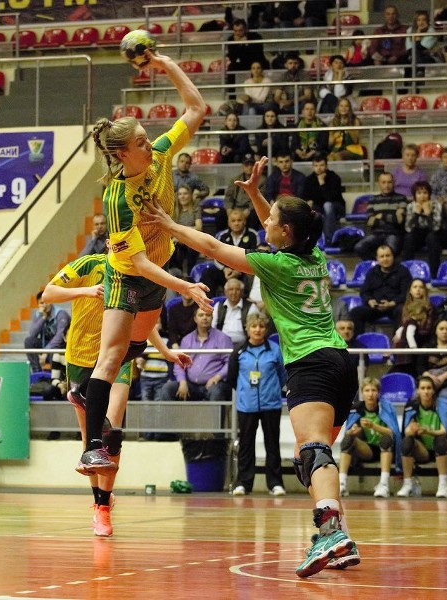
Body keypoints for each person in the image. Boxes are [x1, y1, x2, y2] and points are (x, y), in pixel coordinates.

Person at [142, 156, 359, 577]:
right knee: (311, 458)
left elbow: (212, 248)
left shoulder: (275, 265)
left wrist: (169, 225)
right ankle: (340, 539)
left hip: (310, 363)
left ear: (285, 231)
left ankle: (331, 533)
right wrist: (258, 194)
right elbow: (278, 227)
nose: (265, 223)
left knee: (313, 451)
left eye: (271, 219)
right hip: (339, 361)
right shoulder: (314, 254)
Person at [76, 49, 212, 476]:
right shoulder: (117, 199)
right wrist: (184, 286)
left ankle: (84, 393)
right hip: (127, 276)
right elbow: (136, 262)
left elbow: (196, 109)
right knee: (113, 355)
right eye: (139, 142)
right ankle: (91, 448)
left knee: (135, 348)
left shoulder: (161, 155)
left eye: (145, 136)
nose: (148, 143)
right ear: (121, 154)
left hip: (157, 274)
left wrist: (164, 63)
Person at [43, 253, 189, 534]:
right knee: (90, 438)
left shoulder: (134, 273)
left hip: (118, 355)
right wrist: (87, 291)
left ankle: (103, 509)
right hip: (82, 356)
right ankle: (99, 498)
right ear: (110, 243)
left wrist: (165, 351)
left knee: (112, 431)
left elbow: (141, 324)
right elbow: (49, 293)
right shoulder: (88, 265)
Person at [229, 312, 288, 496]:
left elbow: (283, 375)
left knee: (272, 445)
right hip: (246, 406)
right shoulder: (239, 351)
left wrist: (272, 390)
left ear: (266, 329)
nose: (257, 330)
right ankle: (243, 484)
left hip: (271, 404)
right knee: (246, 445)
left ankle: (275, 483)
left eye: (261, 326)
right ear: (247, 329)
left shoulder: (275, 350)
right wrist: (245, 392)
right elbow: (232, 378)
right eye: (253, 326)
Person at [339, 377, 400, 498]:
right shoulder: (356, 408)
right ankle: (341, 484)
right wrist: (353, 431)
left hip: (386, 449)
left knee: (386, 439)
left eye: (373, 390)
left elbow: (393, 433)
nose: (370, 394)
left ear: (378, 393)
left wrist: (373, 426)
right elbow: (348, 432)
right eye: (367, 390)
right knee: (348, 439)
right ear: (362, 393)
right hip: (367, 450)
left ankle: (384, 484)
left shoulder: (386, 407)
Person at [158, 307, 231, 406]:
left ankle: (215, 418)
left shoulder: (223, 338)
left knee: (216, 391)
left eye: (208, 315)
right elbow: (179, 364)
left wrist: (216, 378)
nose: (204, 317)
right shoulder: (187, 340)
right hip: (191, 385)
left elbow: (229, 363)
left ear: (212, 318)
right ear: (195, 319)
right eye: (201, 315)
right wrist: (182, 382)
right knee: (168, 389)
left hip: (214, 384)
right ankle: (170, 417)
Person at [397, 376, 447, 498]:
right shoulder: (412, 406)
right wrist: (413, 430)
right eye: (423, 388)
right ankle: (407, 484)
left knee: (441, 441)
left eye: (429, 388)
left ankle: (443, 485)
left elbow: (444, 431)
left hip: (439, 447)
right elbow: (406, 432)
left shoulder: (442, 405)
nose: (426, 391)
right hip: (422, 451)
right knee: (407, 442)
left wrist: (427, 431)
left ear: (434, 390)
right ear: (418, 390)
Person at [350, 244, 412, 334]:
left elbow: (406, 293)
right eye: (382, 256)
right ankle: (358, 340)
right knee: (355, 312)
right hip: (375, 307)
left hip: (395, 306)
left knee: (402, 311)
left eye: (388, 255)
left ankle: (397, 340)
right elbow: (364, 292)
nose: (385, 259)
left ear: (393, 256)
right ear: (377, 259)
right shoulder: (372, 272)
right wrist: (370, 301)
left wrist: (391, 303)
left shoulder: (403, 271)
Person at [354, 172, 406, 260]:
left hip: (394, 233)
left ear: (393, 183)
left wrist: (381, 216)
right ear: (379, 184)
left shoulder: (401, 198)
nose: (387, 185)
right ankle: (378, 263)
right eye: (384, 182)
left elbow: (399, 220)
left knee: (390, 252)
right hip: (376, 234)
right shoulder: (373, 200)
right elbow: (369, 221)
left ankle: (383, 263)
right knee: (359, 247)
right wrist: (391, 217)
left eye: (389, 182)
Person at [416, 318, 447, 403]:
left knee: (445, 396)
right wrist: (430, 377)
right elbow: (420, 366)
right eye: (441, 329)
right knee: (415, 396)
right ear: (436, 331)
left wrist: (442, 378)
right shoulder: (427, 347)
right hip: (428, 381)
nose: (444, 332)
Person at [402, 180, 443, 275]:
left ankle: (434, 274)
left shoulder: (436, 205)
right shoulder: (410, 206)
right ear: (414, 195)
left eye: (425, 193)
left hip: (434, 234)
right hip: (417, 234)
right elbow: (408, 229)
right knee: (408, 238)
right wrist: (416, 214)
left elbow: (436, 228)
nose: (422, 196)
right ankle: (406, 273)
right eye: (419, 193)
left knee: (431, 237)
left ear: (429, 194)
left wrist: (428, 214)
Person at [24, 291, 70, 375]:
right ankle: (37, 373)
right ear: (38, 305)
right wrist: (43, 317)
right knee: (29, 341)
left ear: (51, 301)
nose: (44, 305)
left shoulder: (61, 314)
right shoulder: (39, 314)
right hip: (45, 344)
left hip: (60, 346)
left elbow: (60, 336)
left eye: (47, 302)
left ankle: (55, 377)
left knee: (54, 351)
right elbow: (32, 333)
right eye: (41, 303)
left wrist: (46, 351)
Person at [303, 155, 344, 243]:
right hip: (318, 207)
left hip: (336, 207)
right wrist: (309, 201)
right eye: (316, 166)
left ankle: (330, 239)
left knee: (327, 205)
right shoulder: (309, 179)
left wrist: (322, 184)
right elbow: (306, 196)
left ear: (326, 166)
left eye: (321, 165)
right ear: (313, 167)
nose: (319, 168)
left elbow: (330, 198)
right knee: (307, 208)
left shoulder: (334, 178)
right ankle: (309, 241)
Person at [222, 154, 264, 232]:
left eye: (251, 165)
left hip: (250, 209)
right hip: (235, 208)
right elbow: (228, 196)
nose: (249, 167)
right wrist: (229, 210)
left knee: (254, 215)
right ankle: (223, 236)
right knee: (220, 214)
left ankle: (251, 236)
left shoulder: (261, 181)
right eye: (247, 165)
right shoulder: (235, 180)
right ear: (242, 166)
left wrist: (248, 211)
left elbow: (259, 198)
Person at [212, 277, 258, 346]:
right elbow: (213, 327)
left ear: (242, 292)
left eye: (237, 289)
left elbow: (254, 329)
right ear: (225, 292)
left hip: (244, 345)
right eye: (231, 289)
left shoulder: (251, 307)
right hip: (221, 344)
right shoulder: (218, 306)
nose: (234, 292)